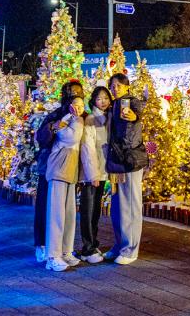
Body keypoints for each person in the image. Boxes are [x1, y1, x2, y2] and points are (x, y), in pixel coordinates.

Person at [44, 91, 102, 272]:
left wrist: (92, 175)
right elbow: (71, 137)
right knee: (56, 215)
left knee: (69, 214)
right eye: (74, 105)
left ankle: (66, 251)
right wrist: (71, 118)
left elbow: (84, 149)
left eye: (80, 105)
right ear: (68, 106)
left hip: (72, 173)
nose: (77, 108)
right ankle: (53, 256)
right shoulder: (69, 119)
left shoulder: (79, 121)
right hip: (59, 170)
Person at [33, 80, 83, 263]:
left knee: (68, 210)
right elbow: (41, 137)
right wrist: (53, 128)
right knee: (45, 207)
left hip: (72, 169)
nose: (73, 97)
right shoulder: (56, 115)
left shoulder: (83, 115)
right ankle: (42, 245)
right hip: (50, 167)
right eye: (69, 94)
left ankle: (64, 250)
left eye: (77, 94)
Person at [105, 73, 148, 265]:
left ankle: (131, 249)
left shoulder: (132, 102)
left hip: (130, 160)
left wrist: (134, 116)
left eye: (119, 86)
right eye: (112, 86)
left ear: (127, 87)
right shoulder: (112, 105)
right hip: (116, 161)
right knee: (118, 206)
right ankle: (120, 244)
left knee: (130, 204)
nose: (115, 89)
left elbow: (139, 111)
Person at [78, 86, 113, 263]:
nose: (103, 101)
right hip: (91, 175)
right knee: (88, 210)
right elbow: (87, 147)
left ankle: (93, 244)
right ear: (93, 101)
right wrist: (93, 174)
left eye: (106, 98)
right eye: (99, 99)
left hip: (102, 172)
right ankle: (87, 248)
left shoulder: (108, 119)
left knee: (95, 211)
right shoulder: (91, 119)